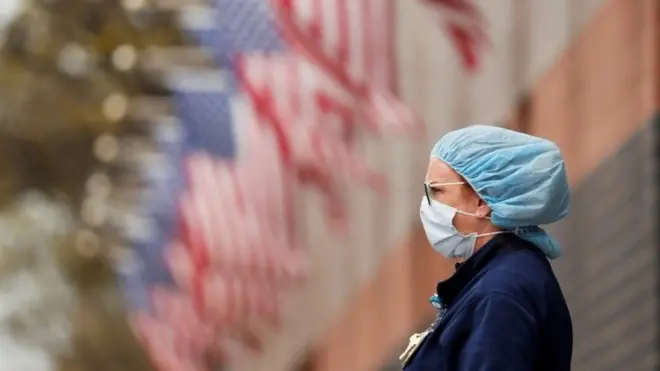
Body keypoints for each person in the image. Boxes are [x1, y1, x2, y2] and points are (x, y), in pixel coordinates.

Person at [400, 125, 573, 371]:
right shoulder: (491, 282)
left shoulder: (499, 293)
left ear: (482, 199)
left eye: (437, 191)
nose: (427, 204)